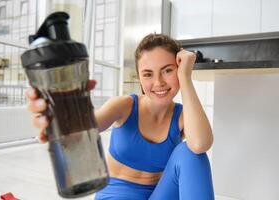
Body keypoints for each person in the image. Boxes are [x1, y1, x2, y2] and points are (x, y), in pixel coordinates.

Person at [26, 33, 214, 200]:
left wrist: (186, 78)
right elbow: (85, 125)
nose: (159, 82)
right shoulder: (125, 106)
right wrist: (58, 116)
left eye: (168, 70)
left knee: (191, 154)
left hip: (158, 195)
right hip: (115, 196)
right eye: (148, 74)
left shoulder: (181, 116)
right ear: (139, 79)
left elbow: (200, 144)